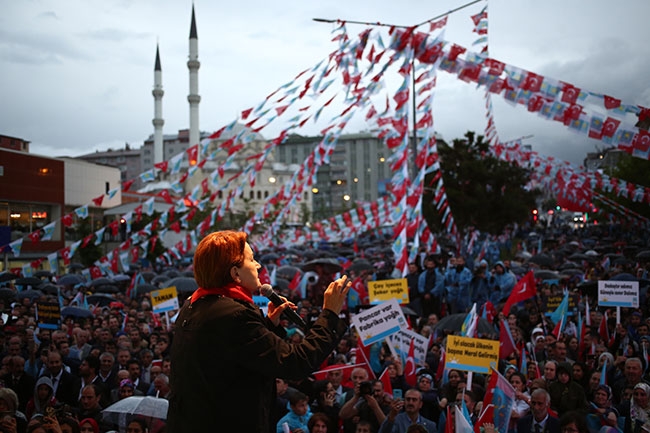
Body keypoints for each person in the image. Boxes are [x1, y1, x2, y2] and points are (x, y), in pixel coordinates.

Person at [167, 230, 351, 433]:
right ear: (235, 273)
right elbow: (295, 363)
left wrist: (268, 325)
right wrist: (330, 315)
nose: (258, 266)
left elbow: (236, 360)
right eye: (251, 260)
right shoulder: (234, 316)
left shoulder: (193, 306)